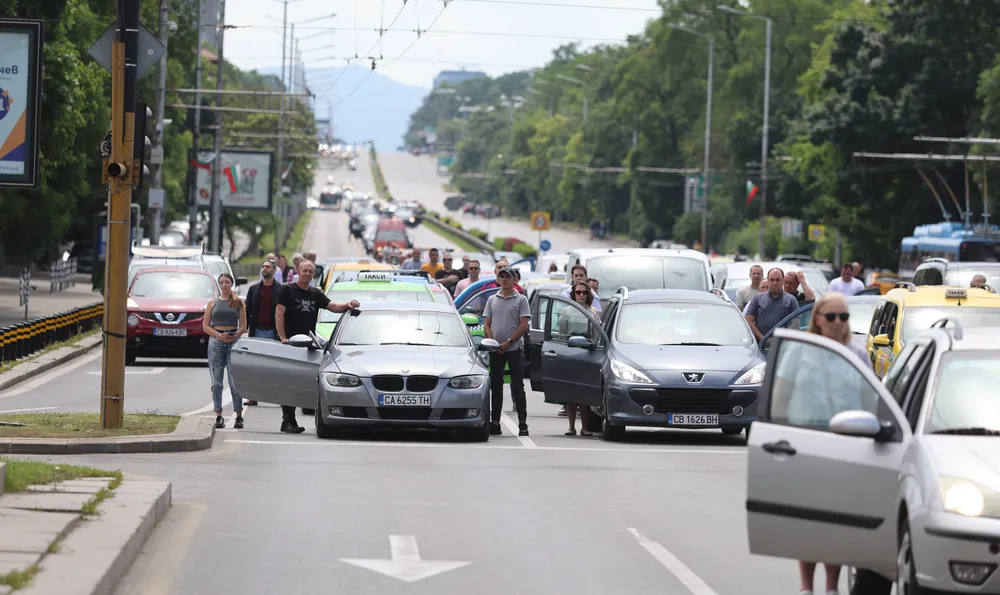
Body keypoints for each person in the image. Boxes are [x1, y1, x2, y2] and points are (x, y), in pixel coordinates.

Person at [770, 292, 872, 595]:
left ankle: (831, 588)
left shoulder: (858, 354)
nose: (839, 323)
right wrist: (777, 435)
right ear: (817, 318)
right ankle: (806, 587)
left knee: (836, 523)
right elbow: (781, 396)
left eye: (844, 317)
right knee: (808, 522)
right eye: (832, 316)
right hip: (806, 445)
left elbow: (869, 400)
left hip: (846, 446)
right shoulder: (800, 352)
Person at [276, 260, 360, 433]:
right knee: (289, 382)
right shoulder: (287, 290)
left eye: (310, 272)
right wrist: (283, 337)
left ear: (314, 275)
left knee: (302, 382)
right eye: (304, 270)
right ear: (298, 271)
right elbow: (279, 314)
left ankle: (289, 421)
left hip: (308, 345)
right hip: (290, 344)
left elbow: (333, 306)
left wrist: (347, 305)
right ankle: (288, 420)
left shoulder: (316, 294)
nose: (307, 274)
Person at [483, 267, 531, 437]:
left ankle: (522, 423)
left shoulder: (521, 299)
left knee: (518, 385)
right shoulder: (492, 299)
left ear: (514, 280)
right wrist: (493, 343)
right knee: (496, 386)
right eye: (501, 276)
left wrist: (509, 341)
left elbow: (523, 324)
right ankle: (495, 422)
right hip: (496, 350)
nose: (504, 280)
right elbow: (487, 323)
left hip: (514, 348)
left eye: (507, 277)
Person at [202, 273, 247, 430]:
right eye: (221, 282)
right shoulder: (212, 303)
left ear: (231, 284)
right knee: (217, 382)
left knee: (235, 382)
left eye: (227, 282)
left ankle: (239, 415)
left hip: (233, 341)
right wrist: (218, 335)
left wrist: (235, 334)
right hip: (216, 342)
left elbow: (243, 326)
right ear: (218, 285)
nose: (224, 285)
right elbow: (205, 326)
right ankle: (218, 414)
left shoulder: (238, 303)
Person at [560, 281, 599, 436]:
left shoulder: (593, 311)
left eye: (584, 292)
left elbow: (596, 334)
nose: (581, 295)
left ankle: (585, 427)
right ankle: (571, 426)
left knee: (584, 393)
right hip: (570, 354)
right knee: (571, 393)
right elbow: (562, 336)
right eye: (578, 292)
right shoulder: (566, 311)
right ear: (573, 294)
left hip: (586, 354)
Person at [244, 259, 280, 406]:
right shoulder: (253, 289)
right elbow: (247, 310)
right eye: (263, 266)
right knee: (255, 366)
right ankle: (253, 396)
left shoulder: (281, 290)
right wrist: (246, 326)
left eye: (268, 267)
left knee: (274, 366)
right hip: (257, 330)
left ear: (274, 271)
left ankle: (277, 397)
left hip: (273, 332)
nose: (264, 268)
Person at [745, 268, 799, 340]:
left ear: (783, 280)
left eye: (778, 280)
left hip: (782, 345)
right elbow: (749, 320)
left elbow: (795, 325)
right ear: (768, 280)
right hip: (760, 345)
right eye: (772, 280)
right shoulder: (757, 298)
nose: (774, 283)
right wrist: (761, 338)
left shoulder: (791, 300)